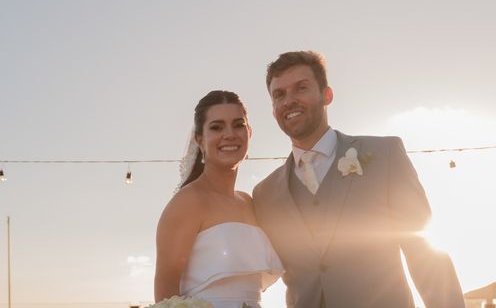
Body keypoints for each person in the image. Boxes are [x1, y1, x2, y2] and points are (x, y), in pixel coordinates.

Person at [253, 51, 465, 308]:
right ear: (274, 111)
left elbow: (425, 255)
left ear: (326, 95)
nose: (290, 100)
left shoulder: (384, 156)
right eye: (279, 95)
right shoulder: (264, 194)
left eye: (301, 88)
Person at [154, 90, 283, 308]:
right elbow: (166, 292)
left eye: (238, 124)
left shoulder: (249, 202)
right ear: (200, 140)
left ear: (249, 133)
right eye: (216, 127)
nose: (229, 134)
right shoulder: (188, 202)